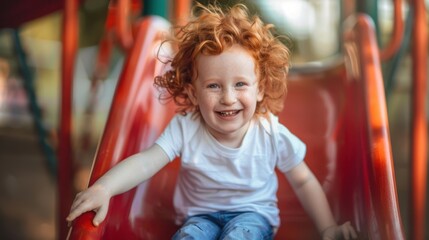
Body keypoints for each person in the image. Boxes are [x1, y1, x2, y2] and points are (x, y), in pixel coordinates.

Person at [67, 3, 358, 240]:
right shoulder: (186, 127)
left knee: (239, 236)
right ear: (193, 93)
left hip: (252, 215)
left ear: (259, 89)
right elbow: (146, 161)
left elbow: (304, 180)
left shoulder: (270, 133)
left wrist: (327, 228)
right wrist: (104, 188)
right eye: (214, 86)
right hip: (198, 217)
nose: (228, 98)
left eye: (240, 84)